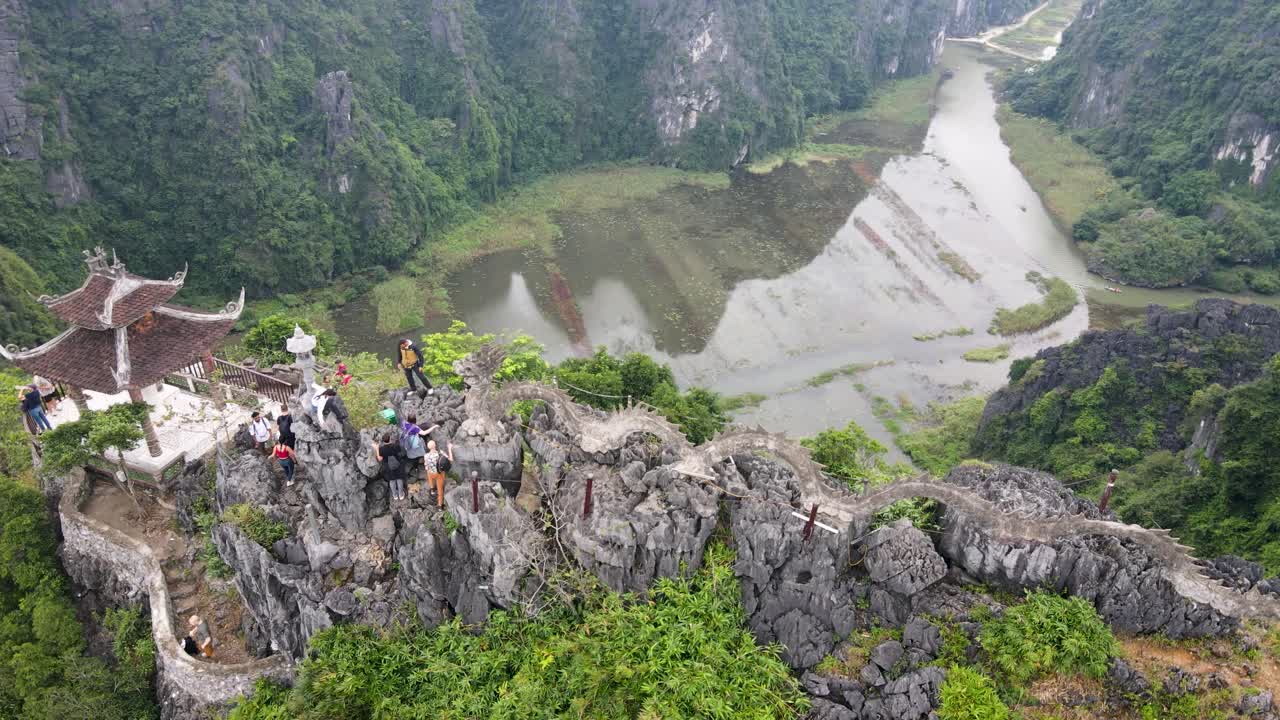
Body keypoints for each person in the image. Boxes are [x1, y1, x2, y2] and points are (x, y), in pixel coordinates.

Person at [399, 414, 436, 483]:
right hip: (415, 445)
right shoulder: (415, 428)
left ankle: (415, 467)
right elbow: (424, 433)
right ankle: (420, 465)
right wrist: (434, 427)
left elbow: (401, 420)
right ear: (415, 420)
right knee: (420, 452)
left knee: (412, 456)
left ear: (408, 420)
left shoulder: (405, 424)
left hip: (408, 445)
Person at [373, 432, 408, 501]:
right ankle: (401, 495)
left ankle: (395, 495)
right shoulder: (396, 445)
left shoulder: (382, 449)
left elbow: (379, 458)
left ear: (383, 441)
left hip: (388, 467)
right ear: (390, 439)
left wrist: (377, 449)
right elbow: (402, 453)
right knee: (399, 479)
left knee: (392, 481)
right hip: (398, 465)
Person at [423, 439, 454, 508]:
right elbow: (451, 459)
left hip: (430, 473)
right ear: (435, 446)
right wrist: (449, 448)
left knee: (428, 473)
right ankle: (440, 505)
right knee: (440, 489)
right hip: (438, 474)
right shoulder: (439, 454)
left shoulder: (426, 455)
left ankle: (432, 489)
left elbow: (426, 466)